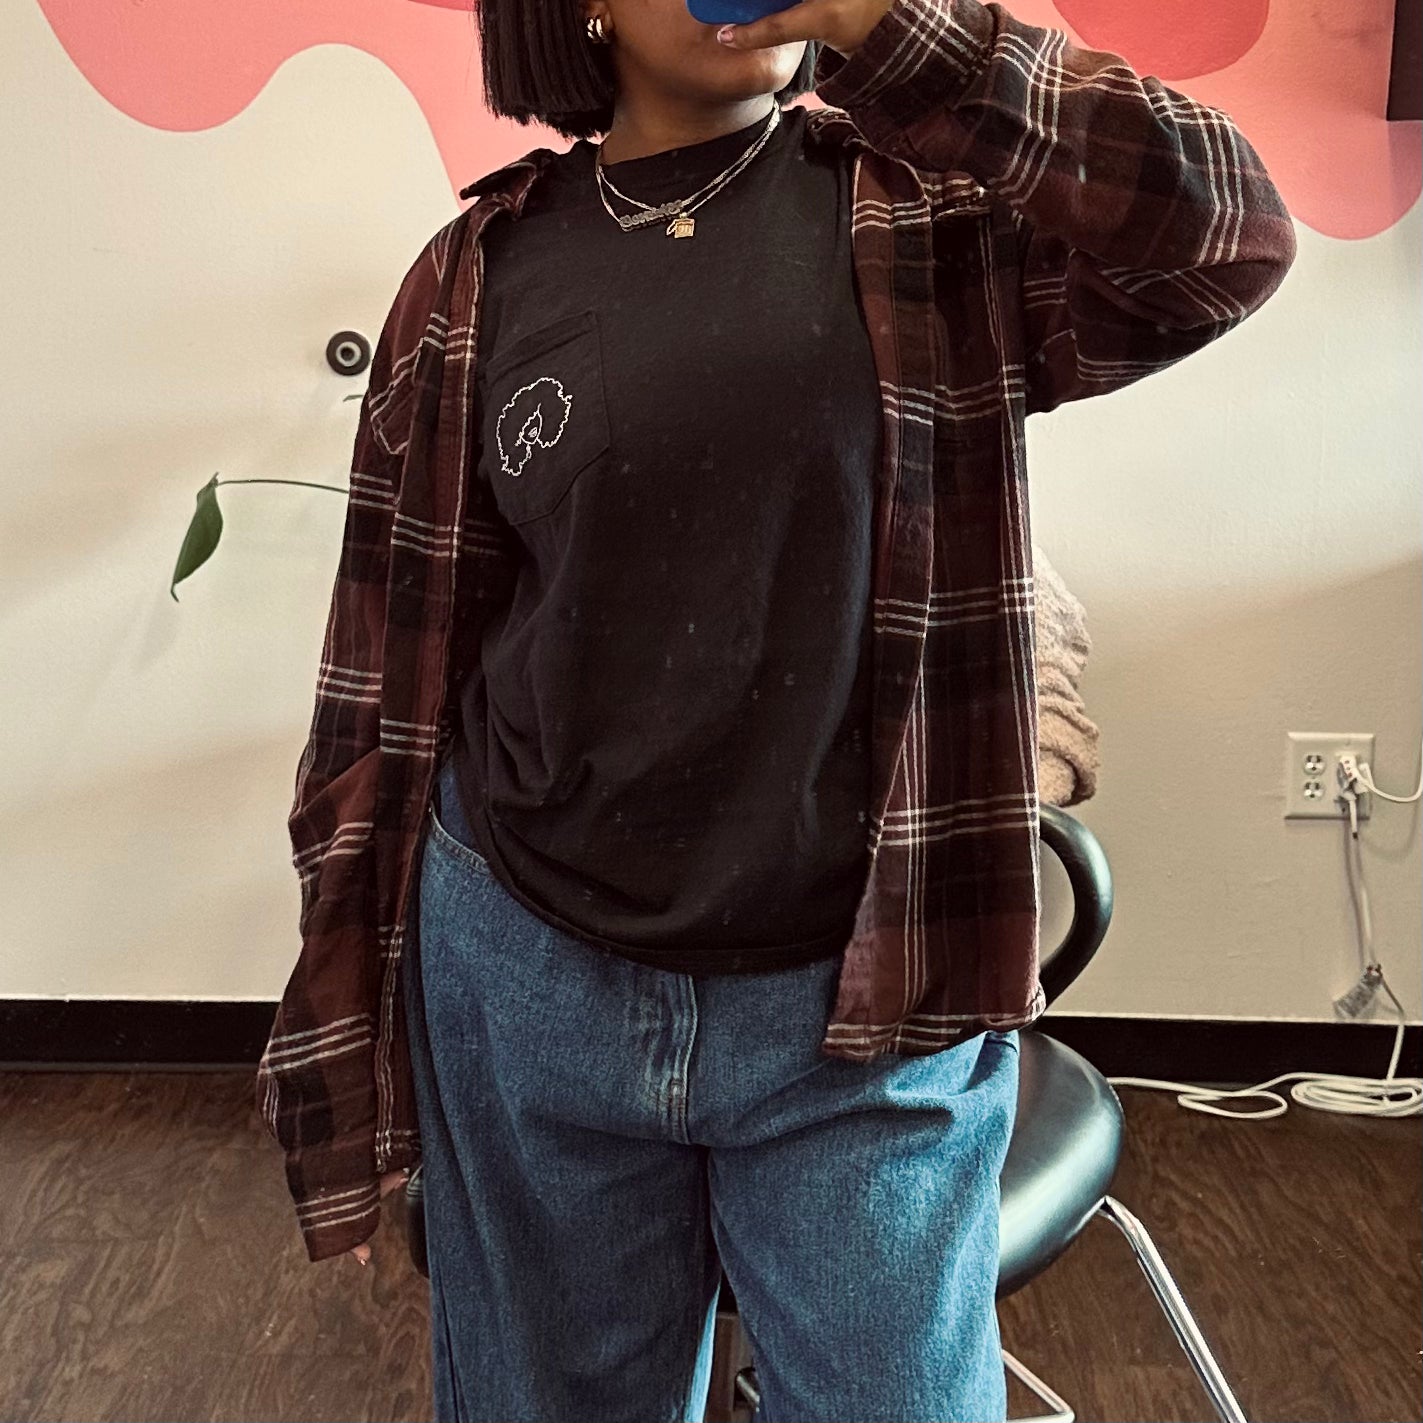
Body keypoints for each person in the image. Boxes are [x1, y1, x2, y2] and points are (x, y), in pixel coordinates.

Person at [255, 0, 1297, 1419]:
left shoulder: (935, 228)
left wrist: (903, 30)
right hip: (527, 969)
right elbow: (388, 651)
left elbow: (1226, 235)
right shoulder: (472, 275)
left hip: (860, 1003)